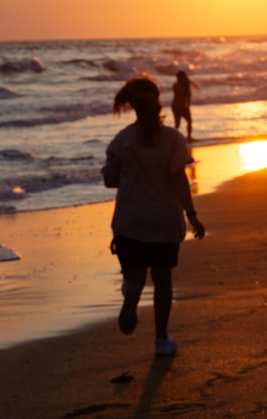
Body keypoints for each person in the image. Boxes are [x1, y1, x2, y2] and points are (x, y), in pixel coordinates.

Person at [101, 75, 205, 357]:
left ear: (132, 106)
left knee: (134, 276)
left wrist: (114, 173)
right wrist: (192, 215)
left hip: (130, 222)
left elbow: (110, 181)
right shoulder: (173, 139)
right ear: (159, 103)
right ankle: (161, 339)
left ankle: (132, 294)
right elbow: (179, 180)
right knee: (163, 281)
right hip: (164, 221)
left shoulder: (121, 141)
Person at [171, 70, 198, 141]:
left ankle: (173, 138)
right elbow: (188, 96)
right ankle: (189, 137)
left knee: (177, 124)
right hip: (182, 106)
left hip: (174, 105)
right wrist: (188, 106)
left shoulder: (175, 85)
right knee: (189, 121)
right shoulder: (185, 85)